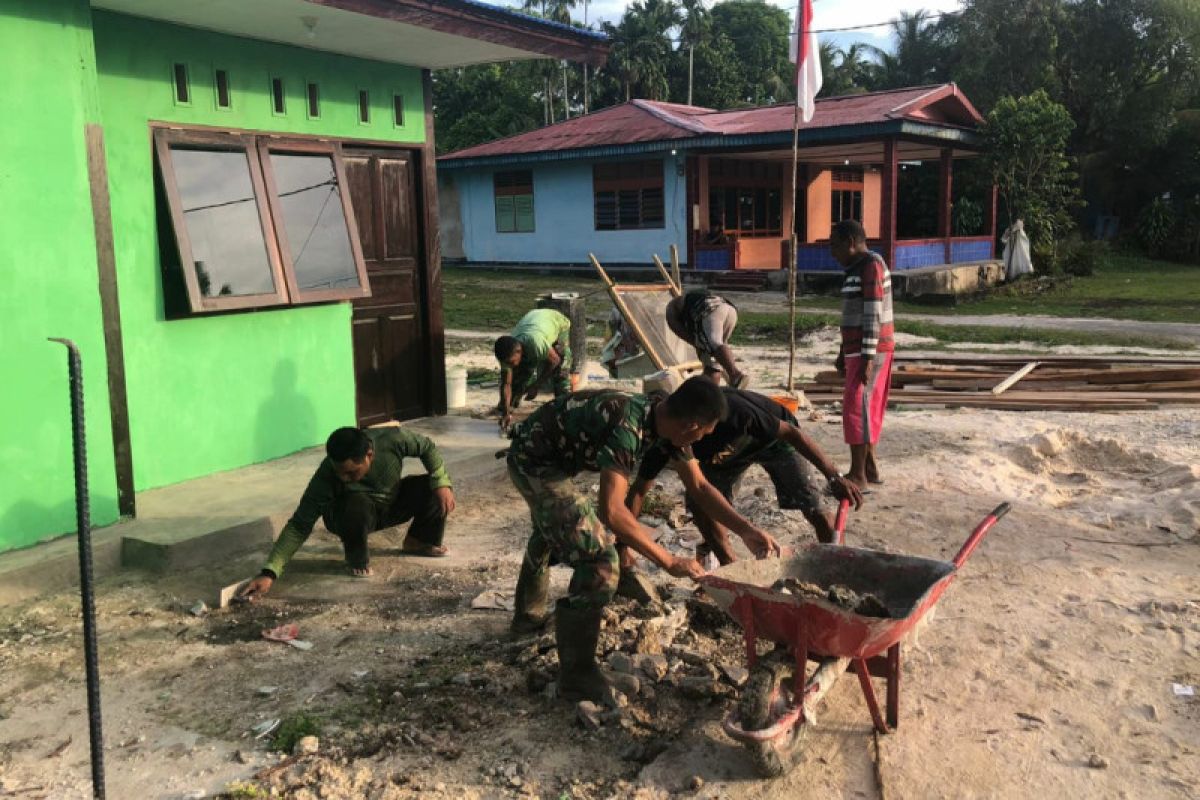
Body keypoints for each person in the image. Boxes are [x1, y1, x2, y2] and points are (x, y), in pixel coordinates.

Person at [505, 377, 781, 704]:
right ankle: (577, 675)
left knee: (556, 527)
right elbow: (612, 511)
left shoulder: (665, 420)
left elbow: (701, 488)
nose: (704, 438)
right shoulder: (628, 426)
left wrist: (747, 530)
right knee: (599, 559)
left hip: (555, 460)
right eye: (705, 432)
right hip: (534, 462)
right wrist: (668, 560)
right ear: (692, 425)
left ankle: (527, 619)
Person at [625, 388, 864, 572]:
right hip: (725, 456)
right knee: (699, 506)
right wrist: (622, 546)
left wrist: (833, 475)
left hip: (773, 441)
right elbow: (639, 492)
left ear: (699, 424)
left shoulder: (736, 413)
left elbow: (792, 434)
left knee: (814, 505)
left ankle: (836, 569)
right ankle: (731, 570)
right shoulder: (669, 439)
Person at [239, 426, 456, 600]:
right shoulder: (326, 477)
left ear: (369, 455)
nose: (344, 478)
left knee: (433, 487)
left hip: (388, 503)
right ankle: (356, 559)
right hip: (348, 515)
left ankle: (419, 541)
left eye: (352, 472)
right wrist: (270, 572)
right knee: (356, 502)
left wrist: (440, 481)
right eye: (339, 472)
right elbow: (299, 525)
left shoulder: (393, 440)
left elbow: (427, 447)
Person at [830, 219, 894, 490]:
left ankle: (858, 474)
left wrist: (867, 356)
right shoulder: (856, 267)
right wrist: (843, 351)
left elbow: (872, 313)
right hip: (858, 348)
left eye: (835, 247)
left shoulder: (871, 266)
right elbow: (853, 313)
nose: (834, 254)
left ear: (850, 243)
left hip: (871, 349)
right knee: (866, 407)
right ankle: (869, 466)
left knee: (857, 409)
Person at [495, 308, 579, 432]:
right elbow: (506, 384)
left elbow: (554, 361)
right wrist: (506, 412)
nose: (510, 365)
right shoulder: (507, 352)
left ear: (519, 352)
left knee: (561, 371)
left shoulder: (536, 344)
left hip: (555, 321)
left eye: (512, 362)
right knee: (518, 376)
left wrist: (536, 385)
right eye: (507, 363)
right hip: (533, 321)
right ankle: (510, 410)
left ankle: (565, 413)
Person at [665, 290, 749, 388]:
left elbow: (681, 332)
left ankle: (735, 375)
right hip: (729, 309)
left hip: (708, 310)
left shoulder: (670, 311)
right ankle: (714, 390)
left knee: (714, 344)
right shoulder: (687, 301)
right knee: (713, 361)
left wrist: (698, 344)